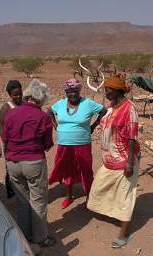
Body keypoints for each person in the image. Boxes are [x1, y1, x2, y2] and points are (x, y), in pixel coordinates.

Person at [87, 74, 140, 248]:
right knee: (98, 187)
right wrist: (92, 126)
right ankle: (111, 212)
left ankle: (124, 234)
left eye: (108, 90)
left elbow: (132, 137)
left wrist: (130, 162)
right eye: (105, 89)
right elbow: (103, 119)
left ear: (118, 91)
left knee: (125, 196)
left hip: (124, 159)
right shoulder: (111, 106)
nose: (106, 93)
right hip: (109, 160)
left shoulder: (129, 108)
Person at [2, 79, 56, 247]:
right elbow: (47, 144)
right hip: (33, 162)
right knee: (38, 201)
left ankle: (25, 236)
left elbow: (5, 137)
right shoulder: (42, 116)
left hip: (13, 162)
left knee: (22, 200)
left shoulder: (11, 113)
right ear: (41, 99)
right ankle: (40, 238)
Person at [48, 79, 106, 209]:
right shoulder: (60, 104)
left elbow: (104, 110)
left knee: (85, 169)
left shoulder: (88, 104)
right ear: (66, 92)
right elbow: (50, 112)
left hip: (82, 143)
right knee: (67, 169)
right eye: (69, 92)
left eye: (75, 91)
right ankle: (69, 196)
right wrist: (56, 126)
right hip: (63, 144)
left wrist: (94, 126)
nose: (72, 94)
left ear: (79, 91)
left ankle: (89, 198)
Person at [0, 80, 23, 198]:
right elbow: (2, 130)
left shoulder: (25, 105)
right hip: (11, 145)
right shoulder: (6, 108)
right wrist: (8, 145)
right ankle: (13, 195)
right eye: (15, 95)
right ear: (10, 95)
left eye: (20, 94)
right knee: (12, 170)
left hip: (25, 144)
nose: (18, 97)